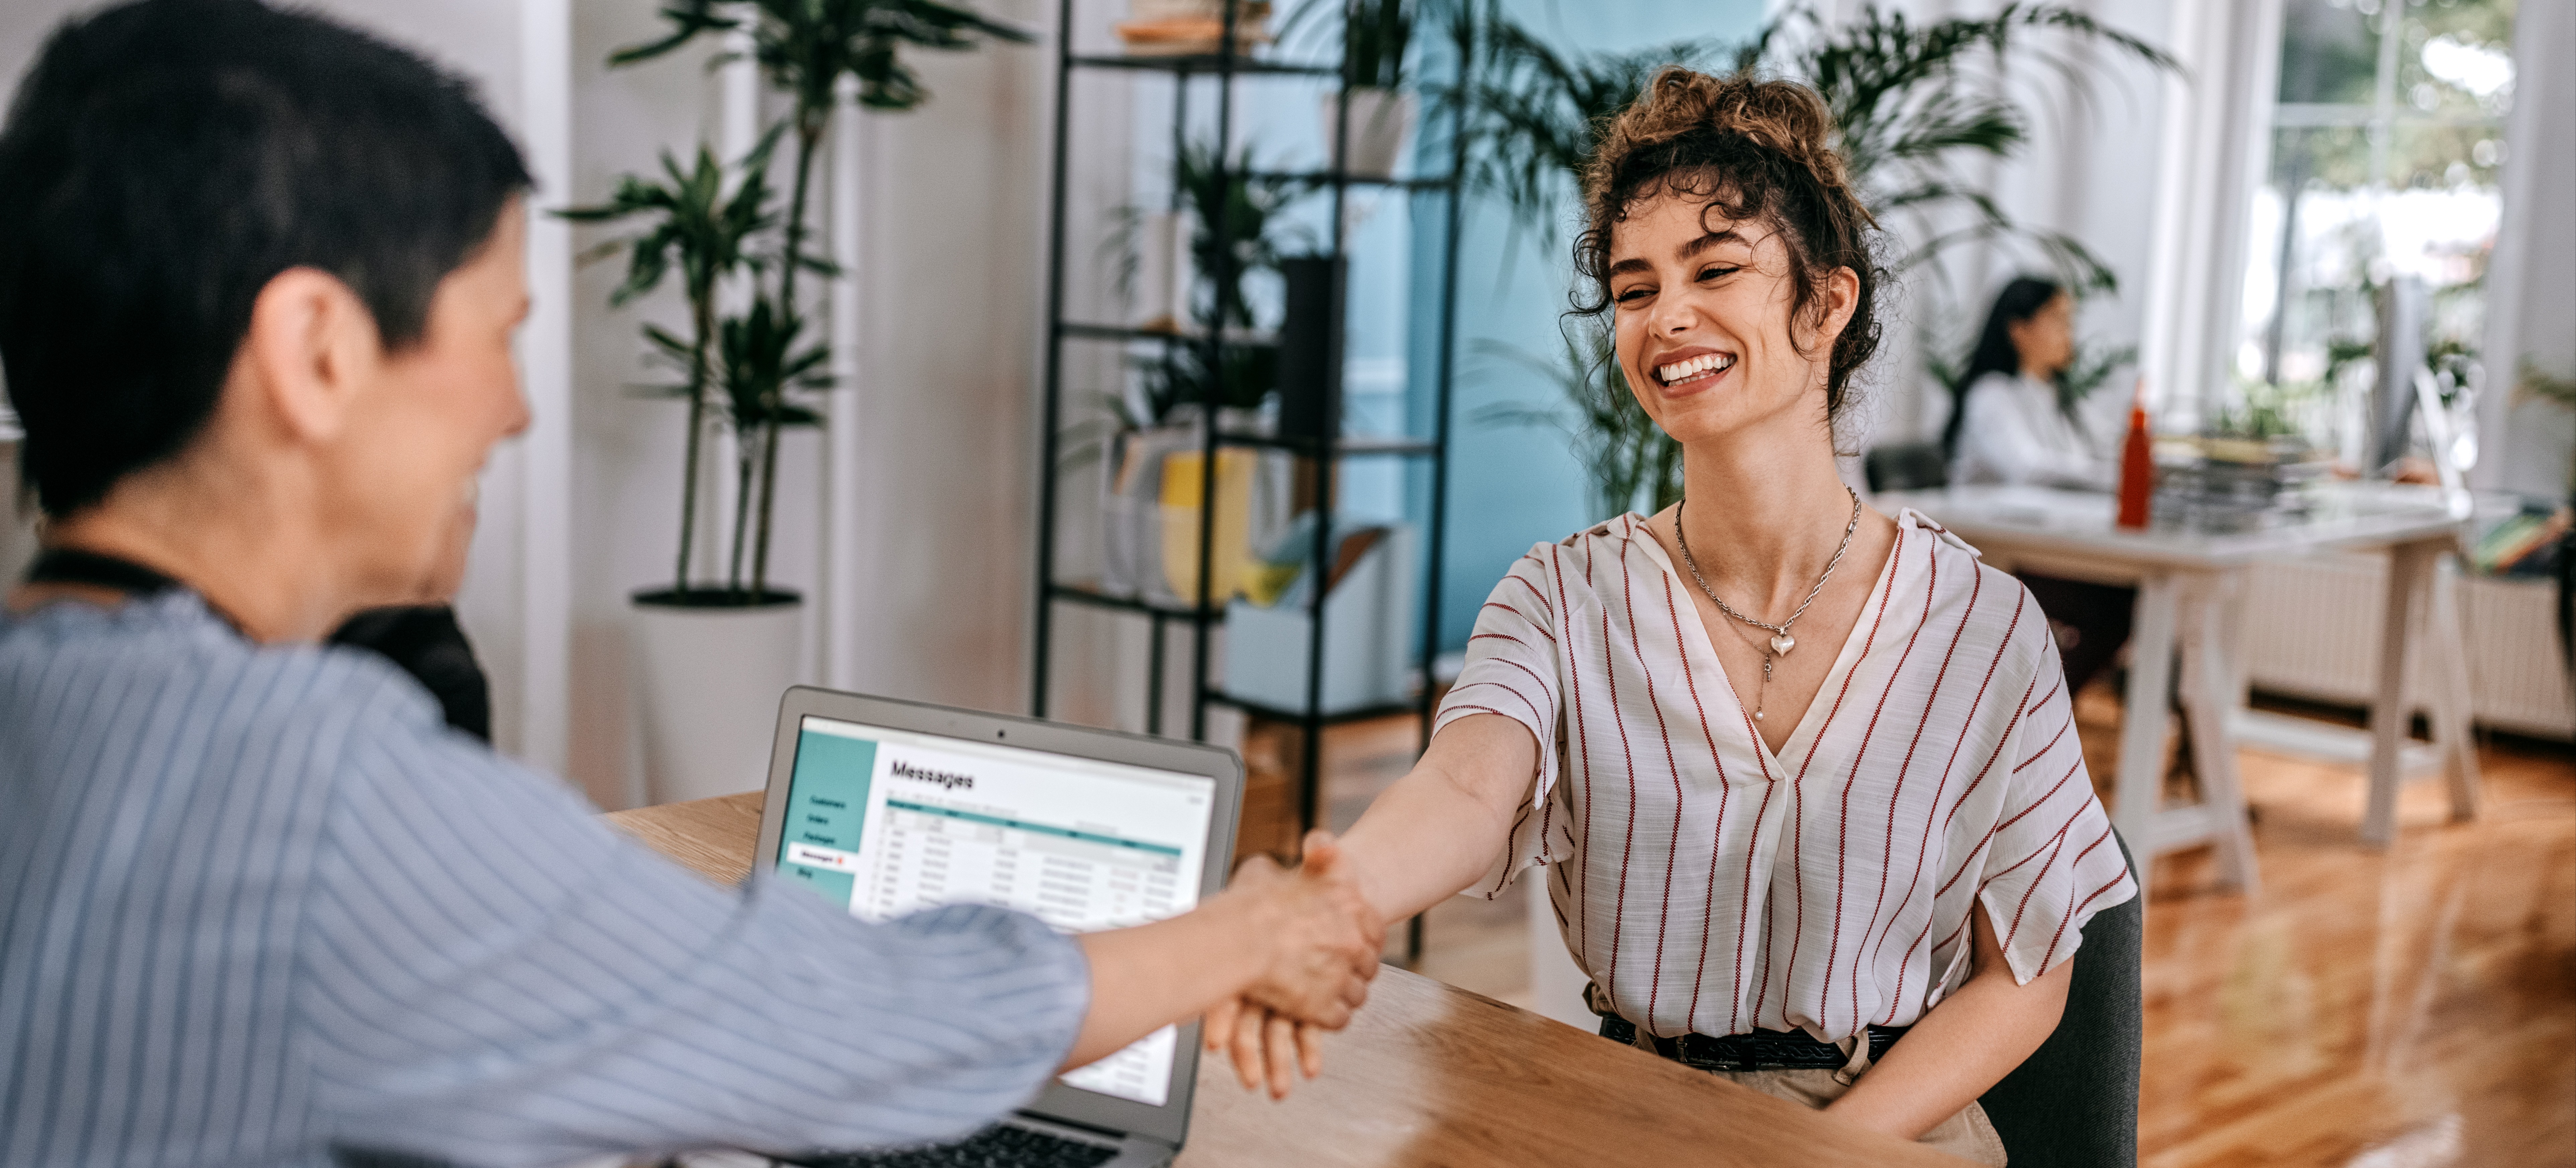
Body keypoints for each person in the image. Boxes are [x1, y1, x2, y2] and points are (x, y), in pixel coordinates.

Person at [0, 3, 1377, 1165]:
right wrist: (1244, 928)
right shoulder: (313, 798)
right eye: (500, 335)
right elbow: (851, 1020)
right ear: (316, 350)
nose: (515, 409)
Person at [1203, 71, 2137, 1165]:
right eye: (1634, 287)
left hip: (1891, 1130)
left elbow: (2024, 978)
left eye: (1716, 269)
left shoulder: (1982, 624)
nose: (1667, 316)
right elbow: (1462, 784)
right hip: (1631, 1111)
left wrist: (1815, 1146)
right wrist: (1326, 903)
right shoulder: (1561, 596)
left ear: (1826, 303)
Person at [1944, 276, 2133, 696]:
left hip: (2042, 546)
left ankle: (2038, 722)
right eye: (2059, 320)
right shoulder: (1991, 394)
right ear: (2019, 329)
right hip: (1992, 556)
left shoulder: (2053, 396)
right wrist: (2110, 477)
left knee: (2124, 603)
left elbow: (2086, 456)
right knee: (2112, 612)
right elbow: (2028, 469)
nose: (2070, 333)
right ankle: (2040, 723)